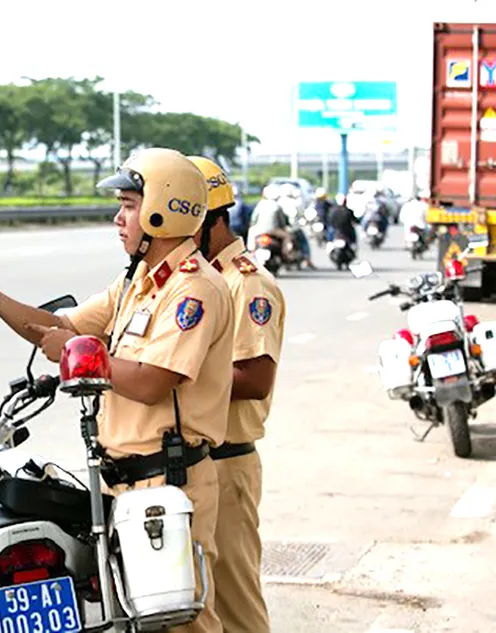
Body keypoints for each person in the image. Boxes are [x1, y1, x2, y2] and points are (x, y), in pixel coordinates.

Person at [0, 147, 234, 633]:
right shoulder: (137, 281)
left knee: (183, 624)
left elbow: (153, 382)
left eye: (129, 206)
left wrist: (79, 353)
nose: (119, 219)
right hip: (122, 482)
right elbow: (58, 327)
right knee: (132, 621)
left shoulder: (194, 289)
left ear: (162, 210)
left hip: (168, 482)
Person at [189, 157, 287, 633]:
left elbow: (255, 378)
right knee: (193, 606)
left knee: (235, 606)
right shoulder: (193, 280)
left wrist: (170, 377)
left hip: (226, 464)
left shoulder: (246, 284)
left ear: (214, 221)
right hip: (189, 465)